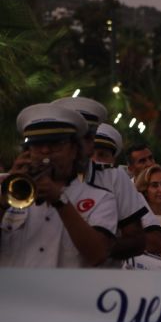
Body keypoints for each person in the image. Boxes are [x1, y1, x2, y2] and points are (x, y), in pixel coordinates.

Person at [1, 104, 117, 267]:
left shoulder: (101, 199)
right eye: (37, 145)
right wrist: (2, 202)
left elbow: (97, 255)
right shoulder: (8, 191)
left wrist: (59, 200)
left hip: (67, 292)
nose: (45, 151)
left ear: (75, 150)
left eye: (55, 144)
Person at [54, 97, 161, 260]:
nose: (76, 146)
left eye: (84, 139)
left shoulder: (113, 179)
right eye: (68, 139)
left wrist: (94, 244)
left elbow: (149, 241)